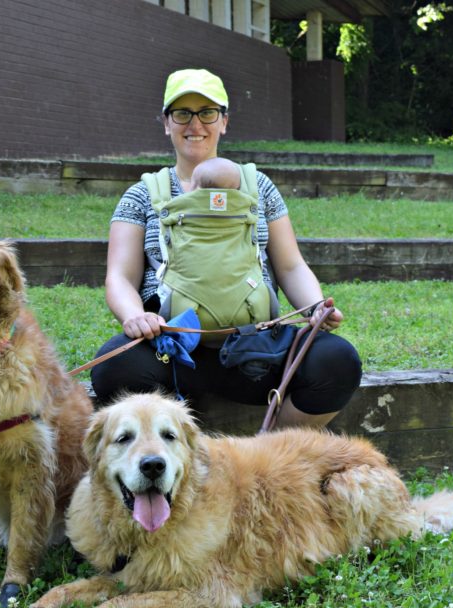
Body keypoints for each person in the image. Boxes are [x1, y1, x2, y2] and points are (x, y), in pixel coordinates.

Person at [91, 68, 362, 430]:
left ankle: (272, 452)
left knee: (337, 360)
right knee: (113, 366)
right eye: (182, 113)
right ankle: (178, 449)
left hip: (258, 350)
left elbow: (291, 266)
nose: (195, 124)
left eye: (207, 113)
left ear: (224, 122)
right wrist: (133, 316)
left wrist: (314, 308)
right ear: (166, 123)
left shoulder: (259, 187)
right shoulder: (142, 194)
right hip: (172, 352)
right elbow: (120, 277)